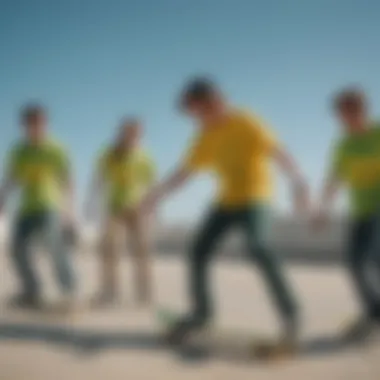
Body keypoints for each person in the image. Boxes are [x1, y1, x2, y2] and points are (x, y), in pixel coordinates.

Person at [139, 77, 309, 354]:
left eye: (197, 111)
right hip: (225, 202)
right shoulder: (204, 137)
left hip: (255, 198)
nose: (195, 119)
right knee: (198, 250)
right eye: (192, 115)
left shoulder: (246, 121)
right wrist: (155, 195)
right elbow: (184, 173)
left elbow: (278, 151)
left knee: (258, 246)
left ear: (213, 101)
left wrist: (298, 181)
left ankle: (291, 316)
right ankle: (202, 314)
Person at [312, 88, 380, 341]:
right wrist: (322, 209)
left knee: (372, 257)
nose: (347, 118)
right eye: (341, 114)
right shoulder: (344, 144)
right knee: (355, 262)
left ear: (363, 110)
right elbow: (334, 177)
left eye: (352, 111)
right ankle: (374, 312)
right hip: (360, 210)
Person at [0, 104, 76, 309]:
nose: (36, 127)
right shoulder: (19, 151)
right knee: (17, 249)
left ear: (46, 123)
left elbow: (67, 179)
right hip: (26, 207)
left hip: (50, 205)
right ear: (24, 125)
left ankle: (69, 291)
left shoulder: (56, 148)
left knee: (55, 247)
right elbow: (11, 178)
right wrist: (2, 198)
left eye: (40, 122)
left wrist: (69, 209)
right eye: (31, 123)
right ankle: (32, 291)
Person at [86, 118, 156, 306]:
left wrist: (153, 210)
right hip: (114, 208)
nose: (131, 137)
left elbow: (151, 184)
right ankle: (110, 292)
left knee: (142, 252)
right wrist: (91, 206)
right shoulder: (109, 154)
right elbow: (98, 179)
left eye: (135, 134)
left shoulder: (144, 156)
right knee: (110, 250)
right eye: (127, 133)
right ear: (121, 133)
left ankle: (145, 294)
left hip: (139, 209)